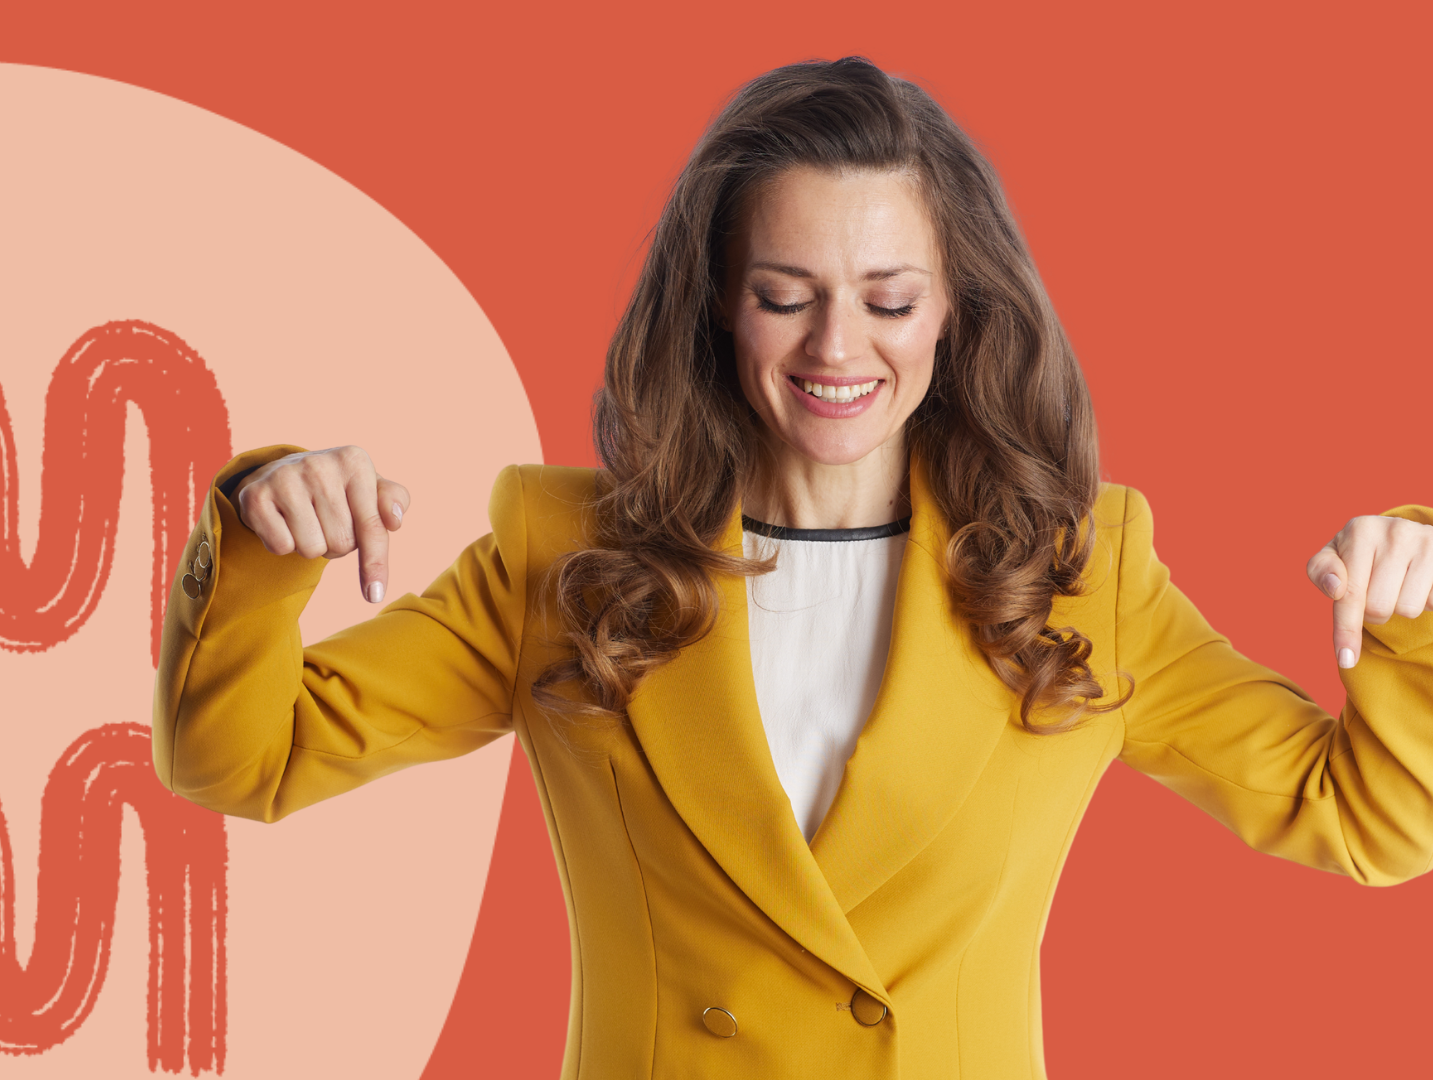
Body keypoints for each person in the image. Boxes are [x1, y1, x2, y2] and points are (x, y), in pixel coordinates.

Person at [152, 57, 1433, 1079]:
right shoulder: (569, 560)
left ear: (956, 310)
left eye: (889, 300)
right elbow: (242, 758)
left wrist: (1418, 603)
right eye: (784, 295)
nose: (837, 347)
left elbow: (1371, 817)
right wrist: (265, 537)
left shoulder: (1078, 576)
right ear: (717, 302)